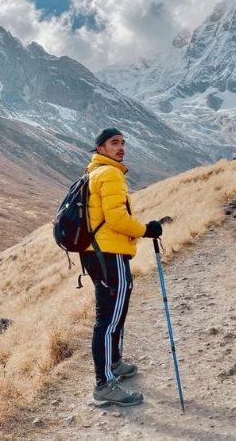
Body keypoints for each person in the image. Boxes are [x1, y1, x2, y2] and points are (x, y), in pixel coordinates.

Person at [80, 127, 162, 407]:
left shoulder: (94, 173)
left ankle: (114, 363)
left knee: (114, 312)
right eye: (114, 143)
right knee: (108, 319)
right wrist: (146, 230)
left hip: (100, 253)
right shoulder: (110, 174)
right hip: (109, 253)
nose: (121, 147)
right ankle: (104, 385)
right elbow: (116, 220)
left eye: (123, 143)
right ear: (100, 148)